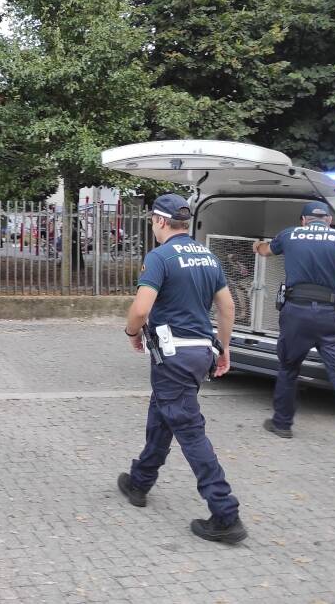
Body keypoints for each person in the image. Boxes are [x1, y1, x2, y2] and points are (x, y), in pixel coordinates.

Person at [118, 193, 247, 545]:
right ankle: (140, 481)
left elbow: (141, 310)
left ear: (160, 221)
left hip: (172, 357)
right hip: (199, 353)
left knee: (189, 429)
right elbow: (228, 308)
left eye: (152, 222)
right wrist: (223, 348)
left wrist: (132, 333)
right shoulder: (208, 256)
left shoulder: (159, 257)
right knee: (164, 413)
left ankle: (225, 513)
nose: (153, 227)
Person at [253, 201, 335, 470]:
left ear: (303, 220)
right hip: (332, 316)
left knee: (288, 367)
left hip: (296, 314)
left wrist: (258, 246)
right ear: (329, 221)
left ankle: (282, 424)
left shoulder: (289, 235)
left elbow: (265, 251)